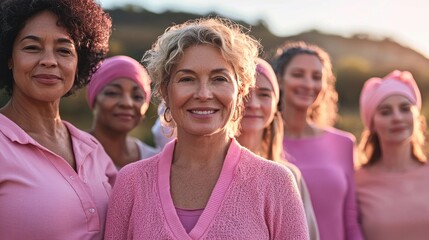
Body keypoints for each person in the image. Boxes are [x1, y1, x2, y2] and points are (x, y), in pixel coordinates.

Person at [105, 18, 309, 239]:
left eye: (219, 78)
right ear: (165, 91)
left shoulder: (275, 182)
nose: (203, 94)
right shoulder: (131, 183)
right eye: (187, 79)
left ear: (240, 91)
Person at [0, 0, 117, 239]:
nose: (49, 61)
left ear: (79, 63)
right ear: (9, 58)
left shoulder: (92, 150)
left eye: (64, 50)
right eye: (32, 48)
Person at [272, 41, 363, 240]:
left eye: (316, 77)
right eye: (298, 74)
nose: (308, 84)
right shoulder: (260, 142)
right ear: (279, 80)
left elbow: (350, 219)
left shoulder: (344, 143)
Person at [237, 57, 319, 240]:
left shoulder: (289, 176)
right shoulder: (208, 173)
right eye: (244, 94)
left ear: (276, 104)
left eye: (264, 94)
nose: (253, 104)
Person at [356, 70, 429, 240]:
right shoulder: (356, 181)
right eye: (385, 112)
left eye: (405, 109)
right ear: (372, 123)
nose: (397, 118)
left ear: (416, 116)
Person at [87, 55, 158, 169]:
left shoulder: (153, 161)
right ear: (94, 99)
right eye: (113, 93)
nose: (127, 103)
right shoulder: (72, 153)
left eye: (137, 96)